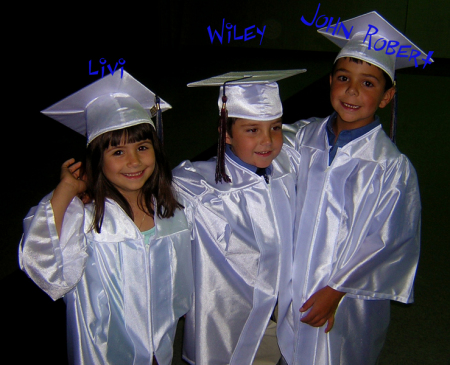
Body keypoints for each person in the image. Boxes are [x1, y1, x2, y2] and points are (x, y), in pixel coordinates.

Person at [19, 71, 193, 365]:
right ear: (97, 161)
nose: (134, 161)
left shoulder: (172, 213)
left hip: (161, 352)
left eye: (142, 147)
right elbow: (42, 263)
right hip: (103, 355)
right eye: (117, 151)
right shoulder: (87, 223)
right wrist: (66, 190)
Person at [279, 12, 424, 365]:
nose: (352, 91)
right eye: (344, 78)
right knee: (287, 348)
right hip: (290, 280)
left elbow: (390, 241)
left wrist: (336, 290)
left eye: (369, 83)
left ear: (388, 97)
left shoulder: (390, 167)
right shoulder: (301, 137)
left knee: (337, 355)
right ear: (329, 82)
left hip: (345, 296)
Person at [172, 70, 305, 365]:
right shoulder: (196, 185)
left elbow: (316, 133)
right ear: (226, 132)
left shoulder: (287, 166)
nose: (267, 141)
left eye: (275, 127)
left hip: (282, 312)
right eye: (252, 130)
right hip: (231, 321)